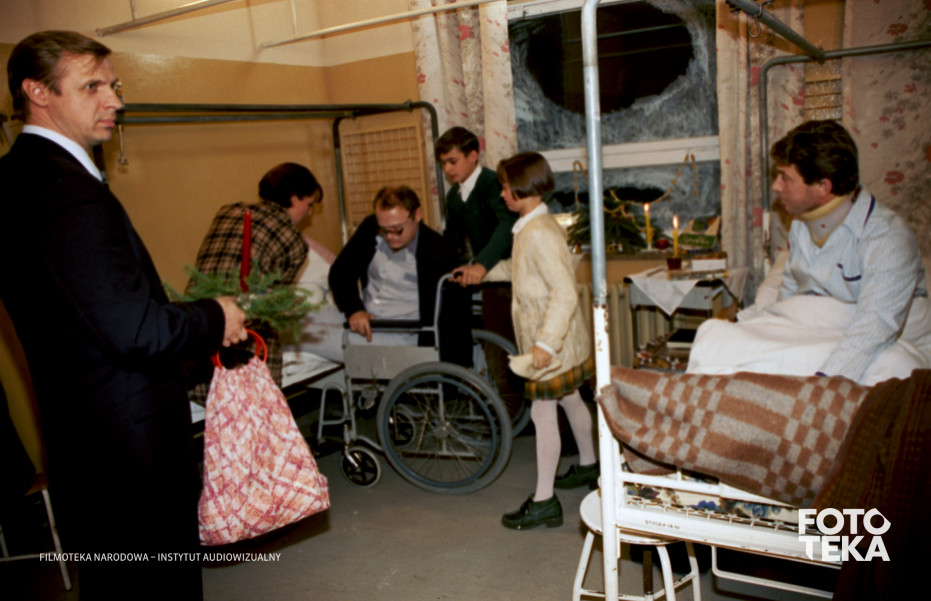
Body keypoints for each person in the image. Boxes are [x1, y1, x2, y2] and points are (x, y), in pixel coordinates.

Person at [0, 30, 246, 600]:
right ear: (38, 92)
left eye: (114, 86)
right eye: (92, 86)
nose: (114, 100)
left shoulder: (14, 180)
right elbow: (135, 329)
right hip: (130, 452)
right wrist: (216, 315)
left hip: (80, 441)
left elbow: (87, 313)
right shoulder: (67, 193)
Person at [688, 119, 931, 385]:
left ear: (823, 187)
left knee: (891, 367)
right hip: (812, 328)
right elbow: (790, 294)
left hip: (870, 336)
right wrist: (768, 326)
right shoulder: (801, 224)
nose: (776, 186)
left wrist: (823, 385)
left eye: (786, 178)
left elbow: (875, 327)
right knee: (714, 336)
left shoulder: (887, 237)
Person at [477, 152, 596, 530]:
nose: (501, 194)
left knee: (542, 414)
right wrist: (481, 271)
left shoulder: (539, 231)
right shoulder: (533, 225)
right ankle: (589, 465)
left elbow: (565, 292)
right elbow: (522, 270)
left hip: (551, 343)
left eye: (505, 187)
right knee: (571, 398)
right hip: (564, 341)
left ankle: (544, 500)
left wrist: (544, 344)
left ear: (521, 187)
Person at [188, 162, 321, 396]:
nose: (309, 213)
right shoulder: (294, 242)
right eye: (309, 204)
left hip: (197, 328)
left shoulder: (226, 212)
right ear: (294, 197)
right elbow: (270, 305)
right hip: (239, 344)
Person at [328, 185, 471, 365]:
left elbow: (453, 317)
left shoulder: (438, 251)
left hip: (399, 331)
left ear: (417, 215)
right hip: (366, 316)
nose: (390, 236)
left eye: (397, 229)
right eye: (384, 230)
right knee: (303, 322)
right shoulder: (371, 227)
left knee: (309, 338)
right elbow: (340, 271)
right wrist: (354, 309)